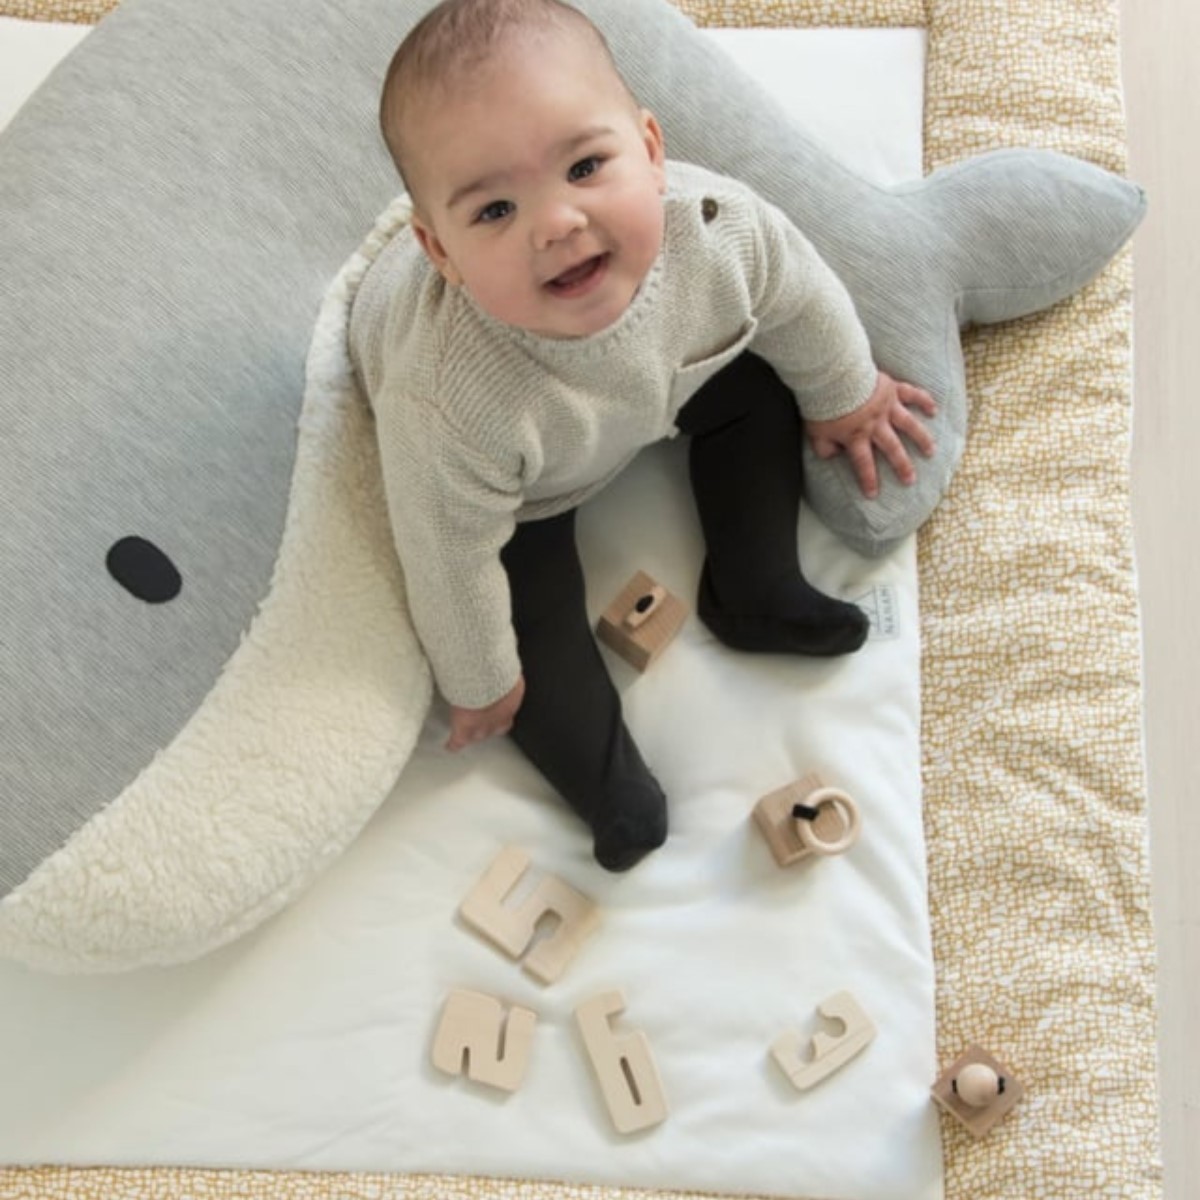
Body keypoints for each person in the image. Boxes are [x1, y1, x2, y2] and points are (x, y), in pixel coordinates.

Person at [349, 0, 935, 871]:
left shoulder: (713, 230)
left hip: (670, 384)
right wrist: (478, 678)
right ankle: (606, 783)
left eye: (586, 167)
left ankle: (756, 587)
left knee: (761, 391)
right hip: (528, 490)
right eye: (495, 211)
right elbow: (444, 553)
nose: (556, 223)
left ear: (652, 152)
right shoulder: (447, 399)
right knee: (524, 614)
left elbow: (798, 294)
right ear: (441, 254)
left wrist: (846, 391)